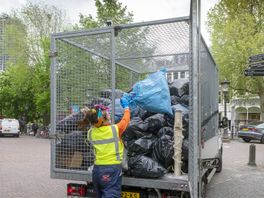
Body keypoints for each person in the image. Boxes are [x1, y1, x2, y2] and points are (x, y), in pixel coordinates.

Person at [79, 97, 130, 198]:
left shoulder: (91, 133)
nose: (109, 115)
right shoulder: (115, 130)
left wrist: (93, 114)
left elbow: (95, 122)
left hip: (97, 170)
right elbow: (125, 120)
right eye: (107, 115)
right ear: (103, 120)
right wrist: (126, 108)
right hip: (111, 170)